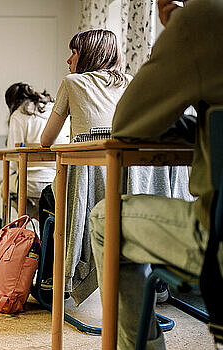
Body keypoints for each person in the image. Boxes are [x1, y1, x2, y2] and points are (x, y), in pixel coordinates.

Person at [74, 0, 223, 350]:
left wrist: (178, 26)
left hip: (218, 240)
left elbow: (128, 123)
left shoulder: (202, 19)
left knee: (105, 219)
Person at [38, 29, 192, 302]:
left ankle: (55, 278)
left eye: (73, 52)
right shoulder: (131, 83)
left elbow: (46, 140)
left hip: (89, 183)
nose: (68, 59)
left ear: (89, 54)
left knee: (48, 197)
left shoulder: (72, 82)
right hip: (131, 181)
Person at [4, 83, 69, 219]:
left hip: (29, 182)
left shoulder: (19, 114)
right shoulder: (56, 109)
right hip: (58, 180)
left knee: (3, 188)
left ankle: (35, 216)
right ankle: (44, 216)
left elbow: (14, 160)